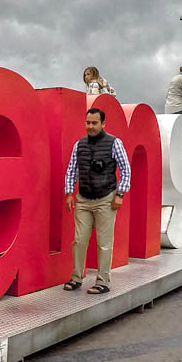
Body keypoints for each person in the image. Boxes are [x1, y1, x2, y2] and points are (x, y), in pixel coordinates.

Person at [63, 107, 131, 295]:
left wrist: (120, 195)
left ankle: (103, 282)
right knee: (79, 240)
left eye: (94, 123)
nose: (90, 126)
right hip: (83, 199)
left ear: (103, 124)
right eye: (88, 123)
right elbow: (72, 169)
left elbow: (126, 169)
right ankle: (76, 277)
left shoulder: (114, 143)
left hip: (106, 199)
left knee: (104, 243)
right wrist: (69, 193)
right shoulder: (79, 144)